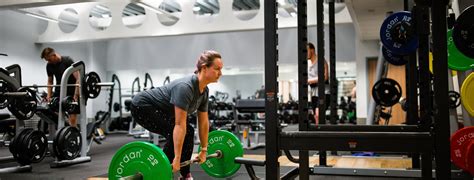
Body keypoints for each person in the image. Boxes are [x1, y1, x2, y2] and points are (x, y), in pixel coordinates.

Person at [130, 50, 223, 179]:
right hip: (142, 106)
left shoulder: (204, 91)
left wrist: (203, 150)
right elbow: (179, 125)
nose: (220, 73)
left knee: (189, 131)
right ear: (204, 68)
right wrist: (177, 158)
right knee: (171, 131)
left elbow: (203, 122)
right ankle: (161, 171)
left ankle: (185, 175)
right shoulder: (185, 87)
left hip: (159, 109)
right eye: (217, 69)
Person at [41, 47, 80, 127]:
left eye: (49, 59)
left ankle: (72, 134)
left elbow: (78, 79)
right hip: (59, 90)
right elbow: (50, 81)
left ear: (54, 55)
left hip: (72, 90)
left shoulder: (67, 61)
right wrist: (49, 95)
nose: (48, 62)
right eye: (47, 60)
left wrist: (76, 95)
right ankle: (61, 133)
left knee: (72, 118)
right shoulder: (49, 65)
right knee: (54, 114)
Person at [307, 42, 329, 124]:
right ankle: (320, 132)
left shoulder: (321, 61)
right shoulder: (309, 65)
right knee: (316, 116)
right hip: (314, 93)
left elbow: (325, 77)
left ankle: (321, 133)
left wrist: (309, 81)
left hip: (324, 92)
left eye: (306, 51)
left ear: (312, 50)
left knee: (318, 114)